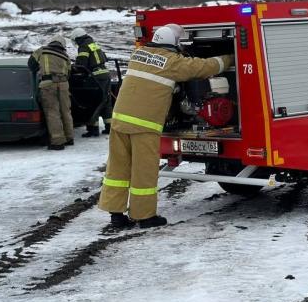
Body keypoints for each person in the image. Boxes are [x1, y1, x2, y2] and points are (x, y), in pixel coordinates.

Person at [98, 24, 234, 229]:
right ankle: (144, 217)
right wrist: (230, 58)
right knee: (144, 171)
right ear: (174, 44)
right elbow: (204, 68)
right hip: (144, 126)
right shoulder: (172, 63)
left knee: (118, 168)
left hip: (119, 121)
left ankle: (116, 215)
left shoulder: (138, 53)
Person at [29, 35, 74, 150]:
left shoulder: (42, 50)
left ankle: (58, 142)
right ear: (62, 45)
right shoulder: (66, 56)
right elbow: (69, 73)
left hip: (48, 84)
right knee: (65, 111)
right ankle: (69, 138)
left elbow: (31, 64)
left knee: (53, 112)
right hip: (64, 85)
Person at [69, 27, 112, 138]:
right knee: (105, 100)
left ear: (78, 39)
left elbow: (81, 63)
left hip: (96, 76)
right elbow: (104, 58)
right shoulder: (94, 44)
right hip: (105, 74)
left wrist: (74, 67)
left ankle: (93, 129)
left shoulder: (83, 46)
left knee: (93, 102)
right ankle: (109, 127)